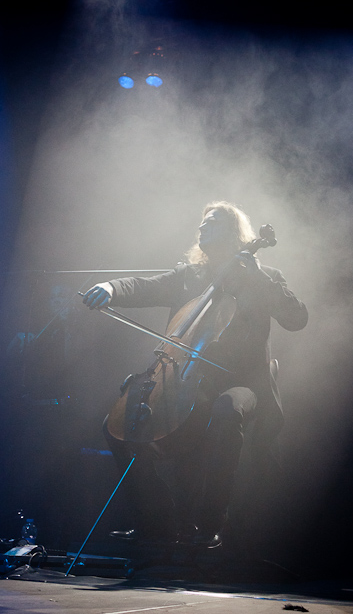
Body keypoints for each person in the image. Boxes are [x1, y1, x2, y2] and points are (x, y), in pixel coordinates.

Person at [82, 201, 308, 547]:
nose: (202, 229)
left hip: (243, 382)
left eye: (212, 223)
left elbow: (297, 319)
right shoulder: (190, 276)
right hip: (186, 380)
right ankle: (155, 520)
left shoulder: (264, 277)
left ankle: (210, 523)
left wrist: (259, 277)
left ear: (234, 232)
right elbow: (143, 287)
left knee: (226, 410)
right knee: (117, 426)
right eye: (202, 224)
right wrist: (111, 288)